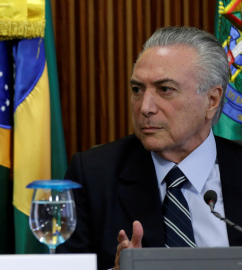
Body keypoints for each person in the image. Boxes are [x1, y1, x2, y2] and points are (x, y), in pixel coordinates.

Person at [56, 26, 242, 270]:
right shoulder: (93, 176)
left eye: (165, 89)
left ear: (212, 100)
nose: (145, 107)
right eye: (137, 90)